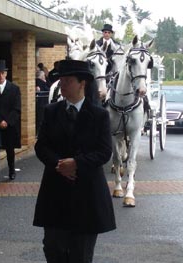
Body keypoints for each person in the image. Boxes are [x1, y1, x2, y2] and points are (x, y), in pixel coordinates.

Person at [33, 59, 116, 263]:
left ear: (82, 83)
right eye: (61, 80)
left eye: (68, 80)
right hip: (55, 194)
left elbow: (105, 152)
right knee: (53, 248)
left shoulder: (99, 115)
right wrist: (60, 165)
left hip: (87, 196)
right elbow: (41, 146)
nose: (62, 84)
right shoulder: (51, 111)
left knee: (81, 254)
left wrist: (77, 163)